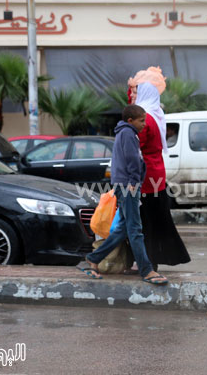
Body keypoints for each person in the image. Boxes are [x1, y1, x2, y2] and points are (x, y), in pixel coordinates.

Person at [85, 104, 168, 284]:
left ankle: (94, 258)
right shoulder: (129, 134)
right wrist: (133, 183)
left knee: (122, 229)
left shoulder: (126, 133)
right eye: (141, 120)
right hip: (128, 187)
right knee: (135, 230)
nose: (145, 124)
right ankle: (146, 271)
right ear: (130, 120)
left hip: (125, 185)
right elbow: (132, 160)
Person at [130, 81, 191, 271]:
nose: (132, 95)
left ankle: (148, 261)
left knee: (145, 220)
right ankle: (151, 260)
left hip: (145, 175)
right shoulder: (156, 114)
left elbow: (135, 147)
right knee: (156, 218)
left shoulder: (144, 119)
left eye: (134, 92)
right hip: (156, 171)